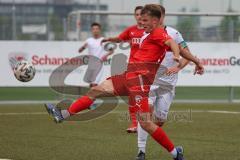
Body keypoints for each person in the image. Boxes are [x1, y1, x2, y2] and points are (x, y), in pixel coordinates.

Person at [45, 4, 185, 160]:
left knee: (146, 123)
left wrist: (177, 57)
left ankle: (175, 153)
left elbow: (174, 44)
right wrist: (197, 62)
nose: (140, 21)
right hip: (128, 77)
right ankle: (62, 114)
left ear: (155, 20)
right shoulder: (144, 33)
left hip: (140, 83)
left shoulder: (159, 33)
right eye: (139, 17)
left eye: (144, 19)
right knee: (95, 91)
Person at [135, 5, 204, 160]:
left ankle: (172, 149)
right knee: (146, 114)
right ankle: (141, 151)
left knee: (159, 121)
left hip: (168, 85)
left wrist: (178, 66)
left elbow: (186, 53)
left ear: (161, 17)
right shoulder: (145, 36)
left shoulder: (174, 33)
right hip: (150, 83)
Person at [102, 6, 145, 133]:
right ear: (134, 16)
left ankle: (145, 122)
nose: (139, 17)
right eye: (137, 14)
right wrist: (109, 39)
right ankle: (135, 124)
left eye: (141, 14)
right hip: (132, 69)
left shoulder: (151, 31)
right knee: (133, 96)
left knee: (141, 97)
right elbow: (120, 38)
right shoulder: (131, 30)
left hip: (147, 70)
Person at [78, 22, 114, 88]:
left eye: (97, 29)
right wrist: (83, 47)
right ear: (91, 30)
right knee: (91, 85)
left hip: (99, 64)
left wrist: (106, 55)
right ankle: (91, 98)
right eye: (93, 29)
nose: (95, 30)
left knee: (95, 84)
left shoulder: (103, 40)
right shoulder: (89, 40)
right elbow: (80, 50)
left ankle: (91, 97)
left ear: (100, 30)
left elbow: (111, 50)